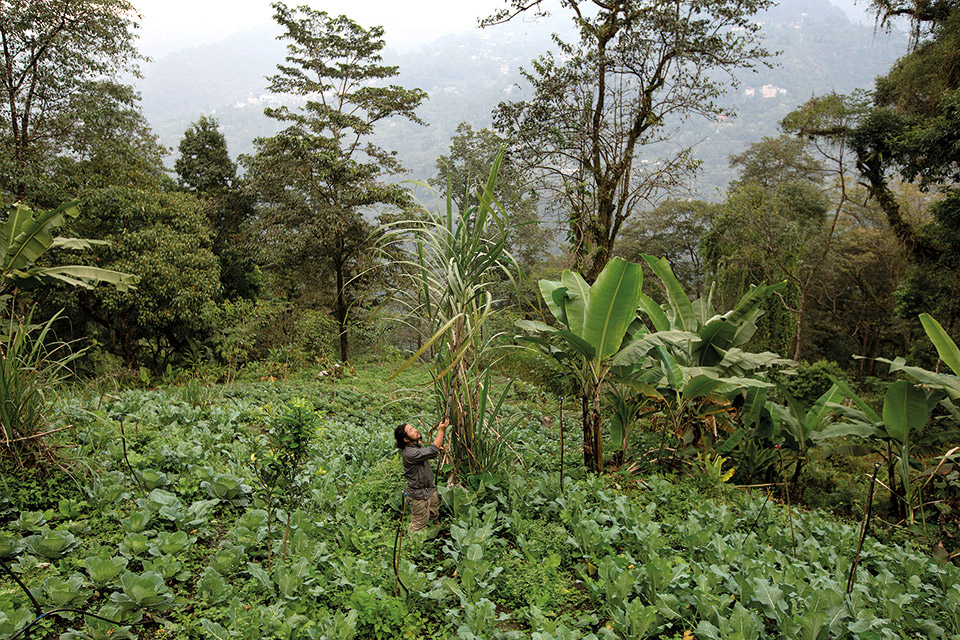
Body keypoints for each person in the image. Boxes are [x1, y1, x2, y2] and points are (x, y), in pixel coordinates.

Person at [394, 418, 450, 532]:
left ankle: (434, 536)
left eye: (413, 428)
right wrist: (441, 430)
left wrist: (438, 449)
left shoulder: (418, 447)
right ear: (406, 439)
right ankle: (413, 541)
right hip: (418, 494)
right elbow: (432, 450)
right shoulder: (409, 453)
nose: (415, 430)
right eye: (411, 430)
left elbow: (431, 453)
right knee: (419, 523)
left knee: (434, 515)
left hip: (429, 489)